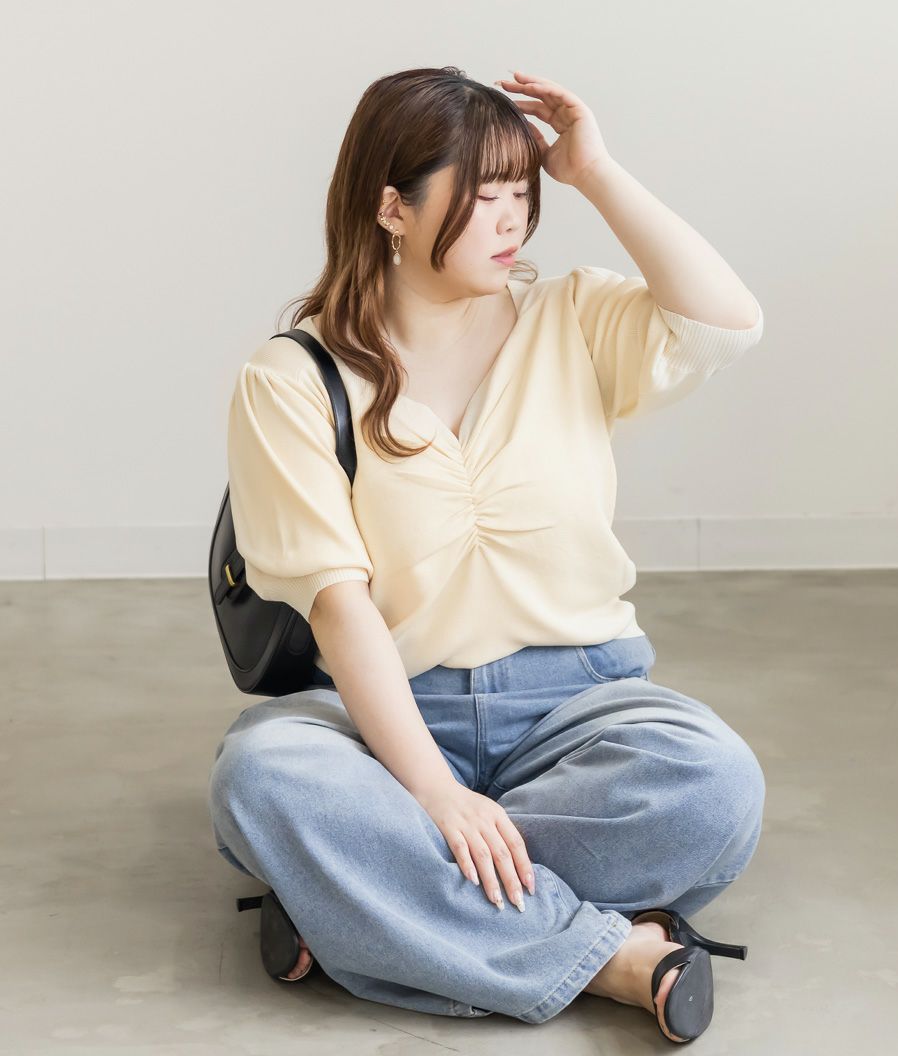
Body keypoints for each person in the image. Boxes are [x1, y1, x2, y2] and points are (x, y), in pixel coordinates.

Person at [208, 65, 766, 1042]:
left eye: (522, 193)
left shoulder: (573, 318)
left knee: (713, 784)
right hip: (388, 716)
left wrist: (595, 173)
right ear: (392, 207)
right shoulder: (291, 378)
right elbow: (339, 609)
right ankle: (615, 958)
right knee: (264, 777)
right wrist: (433, 794)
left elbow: (726, 322)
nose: (514, 221)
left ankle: (363, 903)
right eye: (482, 198)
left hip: (578, 706)